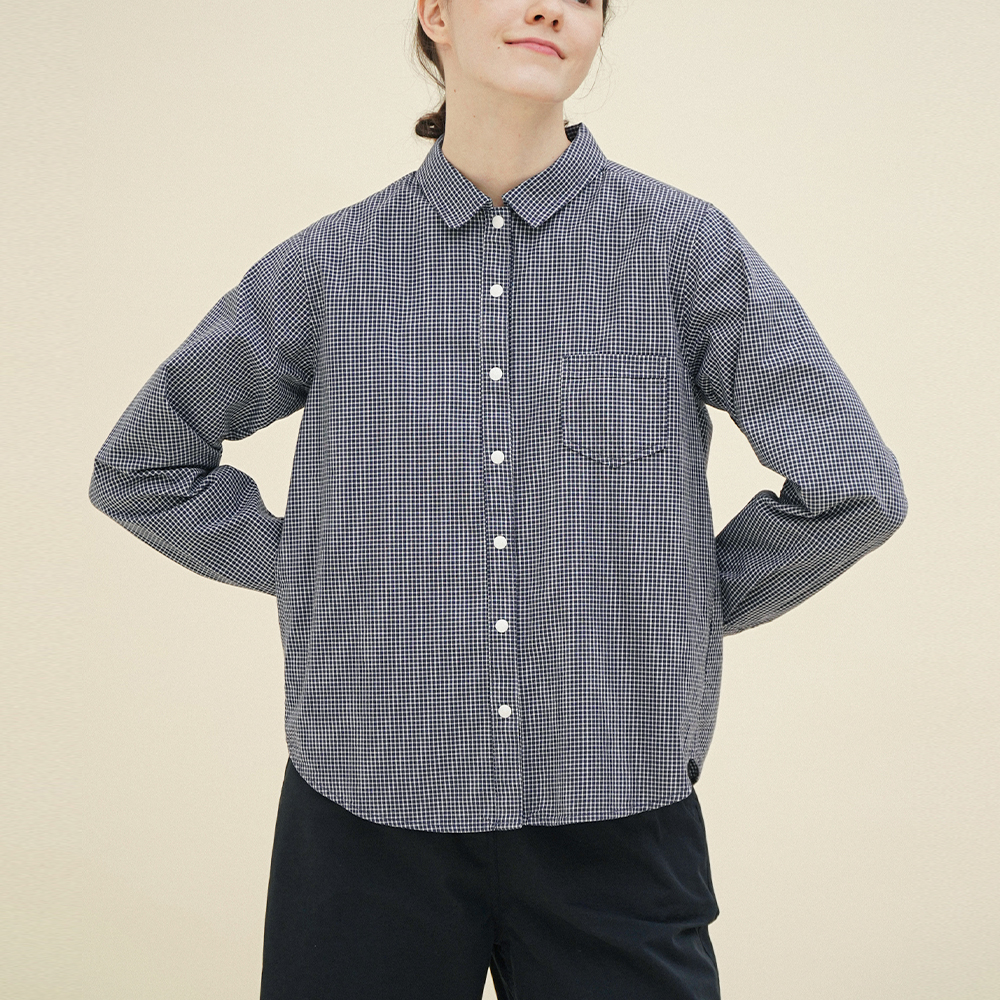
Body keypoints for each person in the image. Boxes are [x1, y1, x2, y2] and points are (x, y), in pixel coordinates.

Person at [88, 1, 908, 997]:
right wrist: (314, 571)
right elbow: (143, 465)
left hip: (617, 805)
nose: (551, 6)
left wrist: (682, 602)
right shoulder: (330, 266)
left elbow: (853, 486)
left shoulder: (682, 249)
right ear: (435, 13)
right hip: (365, 806)